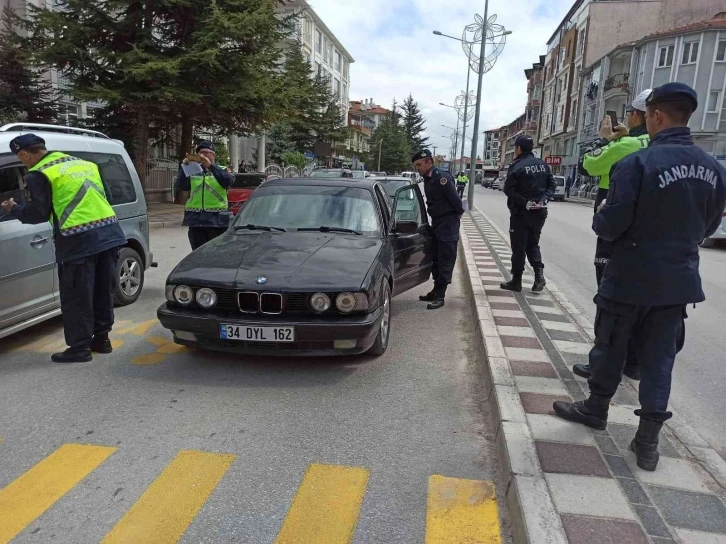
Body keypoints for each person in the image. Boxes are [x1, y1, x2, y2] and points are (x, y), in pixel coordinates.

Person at [553, 83, 726, 472]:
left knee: (611, 345)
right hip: (677, 282)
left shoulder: (637, 164)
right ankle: (647, 441)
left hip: (630, 276)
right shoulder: (714, 168)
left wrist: (600, 215)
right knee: (659, 358)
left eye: (647, 115)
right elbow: (710, 225)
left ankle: (596, 409)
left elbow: (612, 225)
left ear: (657, 116)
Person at [0, 134, 126, 363]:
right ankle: (102, 340)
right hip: (109, 234)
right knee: (101, 292)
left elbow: (37, 214)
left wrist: (13, 209)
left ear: (25, 154)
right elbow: (104, 196)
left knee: (78, 297)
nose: (23, 163)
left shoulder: (39, 174)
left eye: (21, 158)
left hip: (77, 241)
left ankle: (79, 348)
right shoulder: (84, 164)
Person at [574, 89, 652, 381]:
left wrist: (608, 139)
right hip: (647, 234)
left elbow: (587, 166)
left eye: (630, 112)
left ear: (637, 115)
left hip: (615, 229)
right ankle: (632, 362)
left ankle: (603, 363)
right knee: (641, 301)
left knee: (609, 298)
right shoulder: (656, 144)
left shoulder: (627, 145)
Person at [500, 135, 555, 293]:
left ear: (518, 149)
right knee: (533, 244)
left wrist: (525, 202)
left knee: (519, 247)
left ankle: (516, 281)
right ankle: (539, 276)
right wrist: (542, 200)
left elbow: (508, 190)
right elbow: (551, 187)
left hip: (521, 214)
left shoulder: (517, 166)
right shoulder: (543, 165)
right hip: (539, 213)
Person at [412, 149, 464, 310]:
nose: (417, 168)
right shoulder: (428, 178)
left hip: (448, 223)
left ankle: (441, 296)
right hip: (437, 222)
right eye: (415, 165)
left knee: (445, 259)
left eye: (419, 164)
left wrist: (455, 217)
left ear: (429, 162)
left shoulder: (441, 177)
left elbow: (456, 201)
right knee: (436, 257)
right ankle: (435, 290)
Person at [175, 141, 234, 250]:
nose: (205, 155)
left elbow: (228, 181)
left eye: (208, 153)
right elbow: (181, 186)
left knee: (217, 254)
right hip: (196, 221)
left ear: (214, 156)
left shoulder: (223, 170)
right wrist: (184, 168)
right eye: (202, 153)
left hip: (217, 221)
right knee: (197, 253)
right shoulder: (192, 170)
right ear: (197, 155)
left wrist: (211, 166)